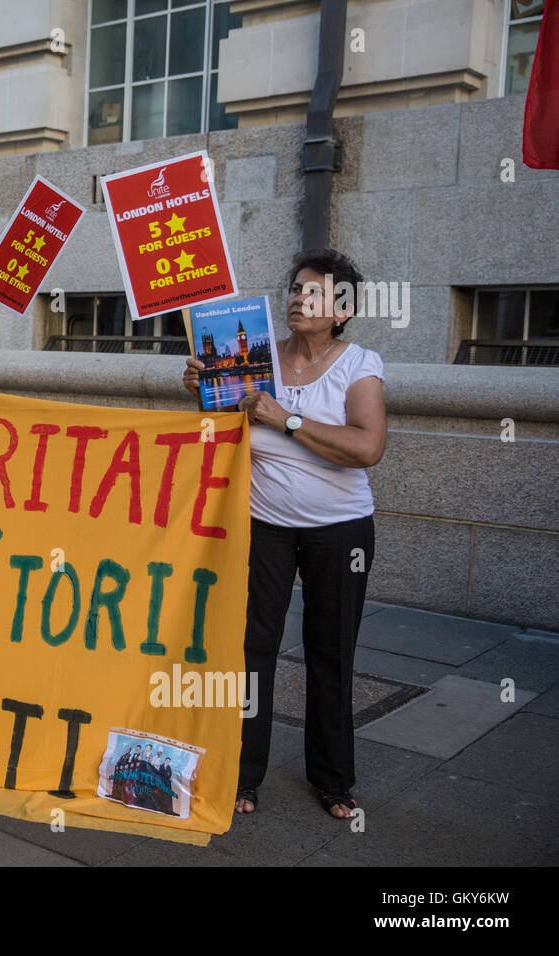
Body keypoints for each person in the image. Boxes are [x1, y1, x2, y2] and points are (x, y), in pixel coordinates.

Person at [183, 248, 387, 819]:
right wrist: (200, 386)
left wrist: (287, 420)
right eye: (296, 290)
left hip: (338, 531)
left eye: (314, 293)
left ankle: (333, 780)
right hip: (263, 526)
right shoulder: (258, 357)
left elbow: (367, 448)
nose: (299, 299)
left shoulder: (359, 365)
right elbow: (219, 423)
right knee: (250, 653)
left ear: (341, 310)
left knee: (331, 651)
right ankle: (243, 776)